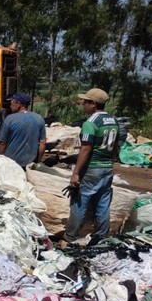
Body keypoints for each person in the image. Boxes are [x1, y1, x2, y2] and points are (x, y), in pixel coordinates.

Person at [63, 88, 120, 245]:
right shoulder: (113, 121)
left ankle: (71, 236)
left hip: (92, 168)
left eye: (86, 102)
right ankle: (101, 237)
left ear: (94, 104)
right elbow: (116, 146)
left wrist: (76, 173)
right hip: (107, 167)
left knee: (80, 201)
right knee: (103, 202)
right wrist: (110, 162)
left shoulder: (91, 123)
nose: (83, 104)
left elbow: (86, 149)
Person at [0, 92, 46, 168]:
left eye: (11, 103)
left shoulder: (10, 119)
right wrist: (38, 161)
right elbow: (43, 143)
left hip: (11, 163)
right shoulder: (39, 118)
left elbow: (2, 143)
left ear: (18, 104)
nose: (10, 105)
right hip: (30, 163)